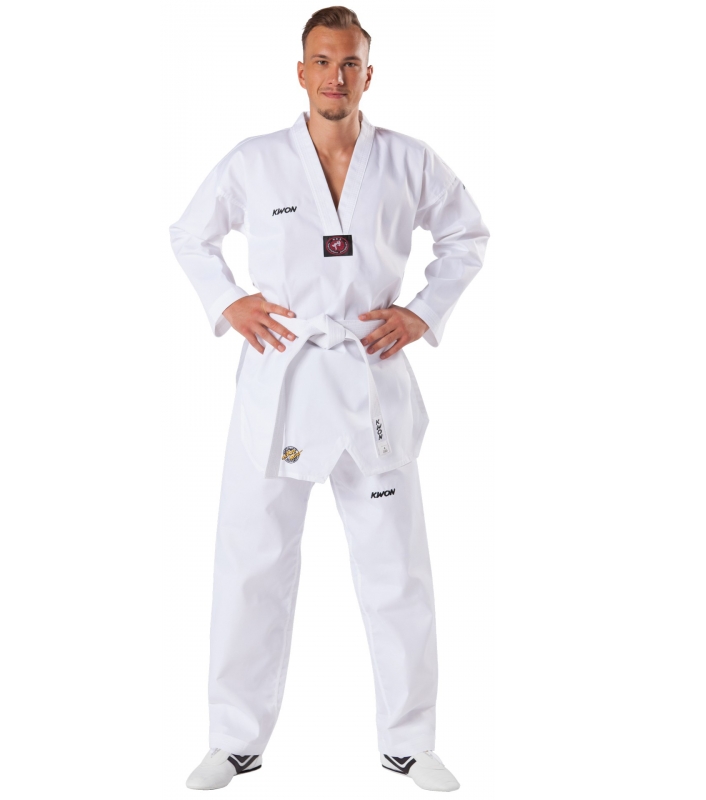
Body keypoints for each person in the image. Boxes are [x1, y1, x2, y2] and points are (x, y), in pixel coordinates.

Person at [168, 5, 489, 792]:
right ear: (301, 71)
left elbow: (467, 236)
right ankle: (234, 739)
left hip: (370, 379)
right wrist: (228, 301)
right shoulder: (255, 161)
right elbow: (189, 236)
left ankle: (409, 742)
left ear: (368, 74)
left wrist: (423, 312)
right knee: (251, 563)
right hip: (280, 380)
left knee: (396, 569)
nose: (335, 76)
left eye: (349, 63)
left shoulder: (408, 161)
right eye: (322, 61)